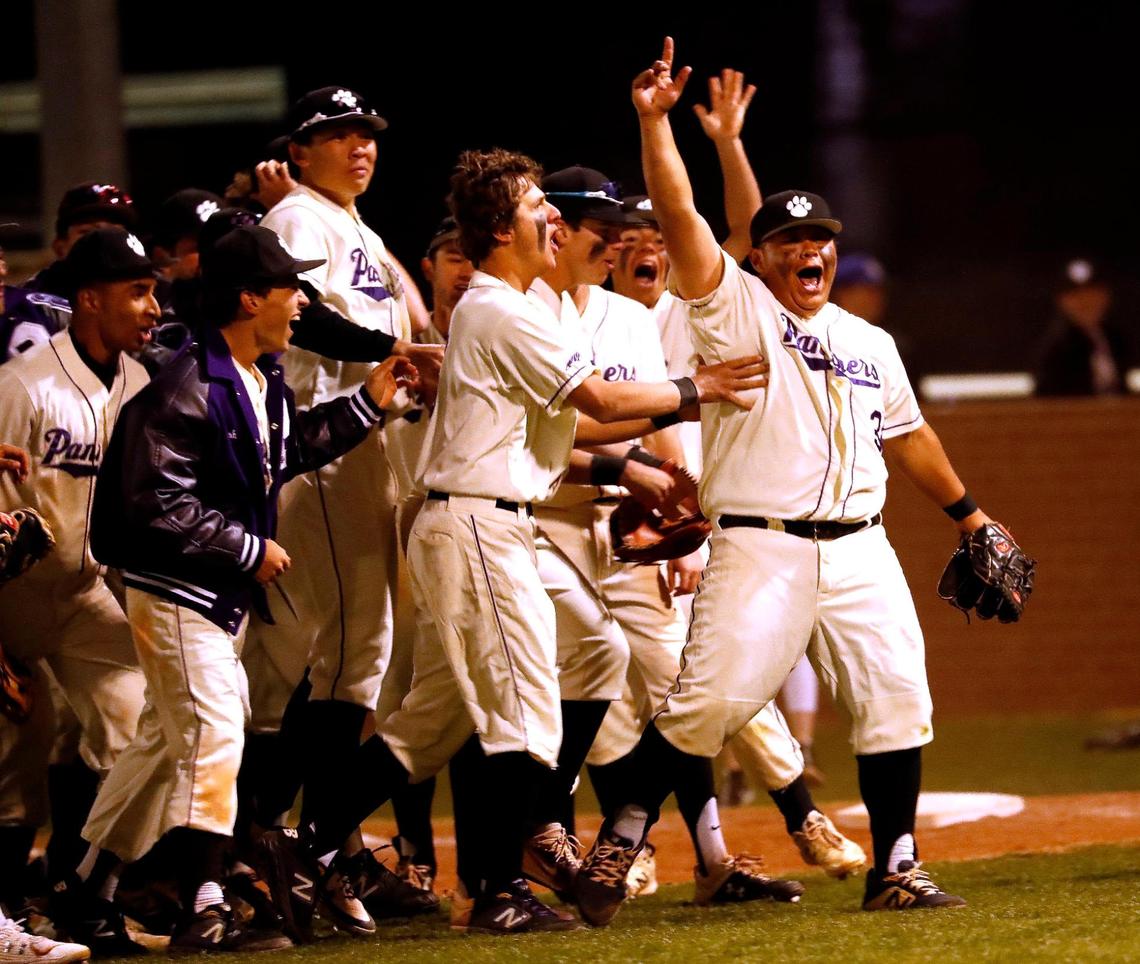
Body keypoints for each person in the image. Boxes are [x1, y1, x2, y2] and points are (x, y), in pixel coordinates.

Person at [252, 147, 767, 936]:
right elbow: (597, 394)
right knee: (525, 719)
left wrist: (665, 429)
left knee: (449, 714)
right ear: (500, 228)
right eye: (538, 211)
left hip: (491, 521)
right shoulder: (499, 309)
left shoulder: (515, 307)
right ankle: (498, 887)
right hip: (477, 524)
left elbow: (576, 426)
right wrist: (703, 389)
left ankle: (308, 843)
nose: (553, 220)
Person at [575, 38, 1023, 924]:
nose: (809, 250)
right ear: (764, 255)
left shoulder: (870, 342)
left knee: (898, 699)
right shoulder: (735, 307)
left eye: (821, 237)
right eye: (790, 240)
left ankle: (896, 864)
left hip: (862, 547)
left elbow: (911, 434)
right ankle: (626, 828)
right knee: (709, 706)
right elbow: (681, 213)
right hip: (761, 547)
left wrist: (970, 515)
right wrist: (655, 126)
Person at [49, 224, 414, 955]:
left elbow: (286, 449)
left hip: (209, 592)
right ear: (251, 299)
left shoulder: (251, 376)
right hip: (175, 587)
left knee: (162, 747)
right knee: (215, 730)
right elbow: (156, 503)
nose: (301, 304)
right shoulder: (188, 383)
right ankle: (204, 905)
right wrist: (247, 548)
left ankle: (86, 893)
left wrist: (368, 406)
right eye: (291, 290)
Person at [0, 228, 155, 926]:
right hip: (10, 596)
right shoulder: (22, 385)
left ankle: (81, 891)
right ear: (89, 299)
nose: (152, 307)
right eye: (137, 291)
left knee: (139, 725)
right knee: (14, 767)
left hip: (84, 593)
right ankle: (6, 915)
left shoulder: (141, 381)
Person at [1034, 257, 1131, 396]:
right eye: (1076, 296)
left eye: (1092, 294)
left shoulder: (1117, 339)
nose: (1085, 302)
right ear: (1062, 301)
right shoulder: (1056, 349)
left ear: (1106, 296)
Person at [21, 184, 138, 299]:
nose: (104, 243)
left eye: (114, 234)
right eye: (88, 233)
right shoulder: (27, 307)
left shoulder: (150, 296)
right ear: (60, 247)